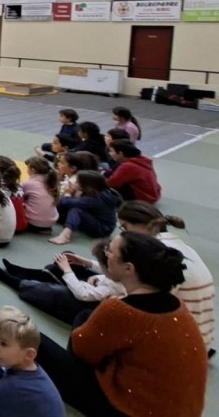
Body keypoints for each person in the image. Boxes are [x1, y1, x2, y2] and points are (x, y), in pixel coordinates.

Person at [36, 232, 207, 417]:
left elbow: (82, 350)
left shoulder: (120, 310)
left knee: (33, 338)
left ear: (128, 269)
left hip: (130, 410)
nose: (106, 254)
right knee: (85, 316)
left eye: (110, 252)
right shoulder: (178, 306)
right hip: (178, 408)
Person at [118, 201, 214, 353]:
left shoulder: (157, 254)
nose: (123, 234)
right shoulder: (177, 244)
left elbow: (142, 305)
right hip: (201, 336)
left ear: (141, 225)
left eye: (124, 228)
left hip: (184, 345)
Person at [0, 239, 125, 325]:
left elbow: (83, 294)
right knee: (66, 258)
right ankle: (24, 272)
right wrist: (85, 262)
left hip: (88, 303)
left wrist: (67, 270)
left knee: (55, 290)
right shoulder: (120, 272)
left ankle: (15, 281)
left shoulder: (114, 283)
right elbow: (108, 275)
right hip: (94, 290)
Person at [50, 170, 121, 245]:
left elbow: (67, 202)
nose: (75, 183)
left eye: (77, 182)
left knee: (76, 210)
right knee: (65, 208)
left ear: (86, 185)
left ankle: (65, 235)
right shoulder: (97, 191)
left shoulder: (95, 198)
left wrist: (68, 193)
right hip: (93, 217)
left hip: (103, 228)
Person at [21, 156, 60, 232]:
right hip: (51, 222)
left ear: (32, 170)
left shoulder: (29, 183)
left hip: (34, 223)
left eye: (28, 168)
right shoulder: (51, 181)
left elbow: (20, 197)